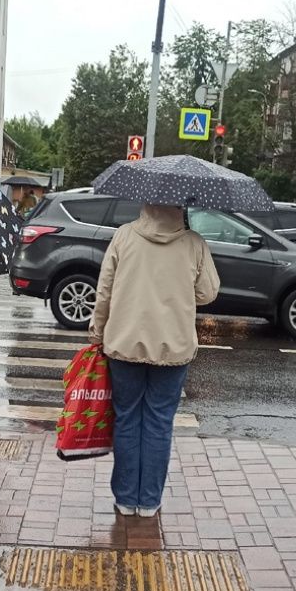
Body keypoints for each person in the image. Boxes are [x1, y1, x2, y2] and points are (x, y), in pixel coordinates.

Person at [89, 204, 220, 518]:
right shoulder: (194, 243)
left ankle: (125, 498)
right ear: (179, 206)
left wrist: (97, 331)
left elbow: (105, 290)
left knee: (126, 417)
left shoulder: (124, 236)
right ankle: (149, 500)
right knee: (159, 422)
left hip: (124, 343)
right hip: (173, 347)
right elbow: (208, 293)